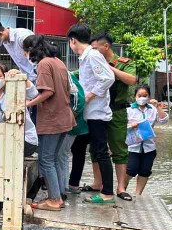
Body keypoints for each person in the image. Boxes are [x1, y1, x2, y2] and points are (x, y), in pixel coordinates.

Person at [23, 35, 75, 211]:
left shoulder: (44, 64)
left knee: (45, 160)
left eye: (26, 50)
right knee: (52, 159)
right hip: (64, 118)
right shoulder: (59, 62)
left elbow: (47, 92)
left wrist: (27, 104)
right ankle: (56, 196)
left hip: (52, 119)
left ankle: (54, 199)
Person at [68, 24, 116, 204]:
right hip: (89, 112)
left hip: (97, 112)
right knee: (81, 147)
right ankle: (75, 184)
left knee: (101, 151)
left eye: (70, 42)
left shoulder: (93, 55)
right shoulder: (85, 57)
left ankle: (108, 193)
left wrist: (90, 95)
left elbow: (108, 78)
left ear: (73, 40)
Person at [89, 33, 138, 201]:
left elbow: (132, 80)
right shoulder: (92, 62)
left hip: (116, 111)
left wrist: (110, 69)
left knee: (119, 148)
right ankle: (97, 183)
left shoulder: (124, 63)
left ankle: (121, 187)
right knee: (96, 148)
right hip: (97, 111)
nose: (93, 51)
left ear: (106, 47)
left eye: (95, 48)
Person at [126, 85, 169, 196]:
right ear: (135, 96)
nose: (142, 98)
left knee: (145, 171)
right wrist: (131, 125)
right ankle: (121, 190)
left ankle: (138, 194)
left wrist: (158, 106)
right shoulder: (129, 109)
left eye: (145, 95)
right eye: (139, 95)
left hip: (149, 147)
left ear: (149, 97)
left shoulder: (152, 109)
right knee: (130, 170)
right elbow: (121, 126)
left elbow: (164, 120)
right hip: (132, 147)